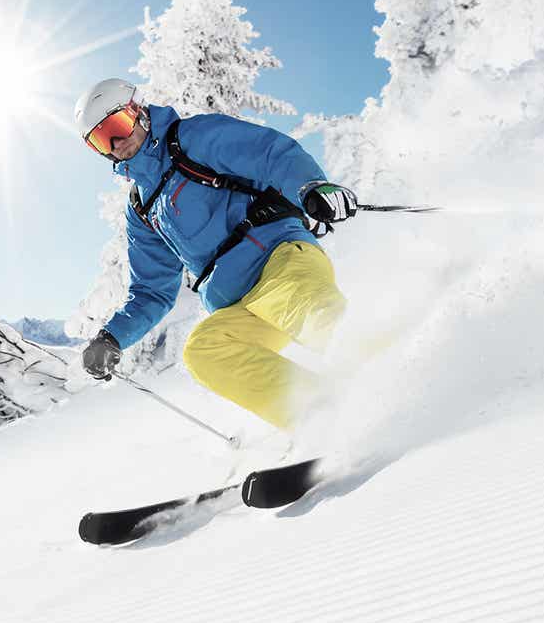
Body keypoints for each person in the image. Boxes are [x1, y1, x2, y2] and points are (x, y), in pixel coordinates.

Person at [75, 78, 358, 434]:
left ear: (138, 112)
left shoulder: (192, 139)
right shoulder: (142, 209)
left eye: (117, 126)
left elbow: (270, 154)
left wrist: (310, 187)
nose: (117, 144)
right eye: (102, 140)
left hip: (280, 259)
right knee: (205, 352)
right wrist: (112, 337)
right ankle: (320, 417)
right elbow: (152, 290)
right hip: (241, 304)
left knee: (309, 312)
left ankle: (384, 379)